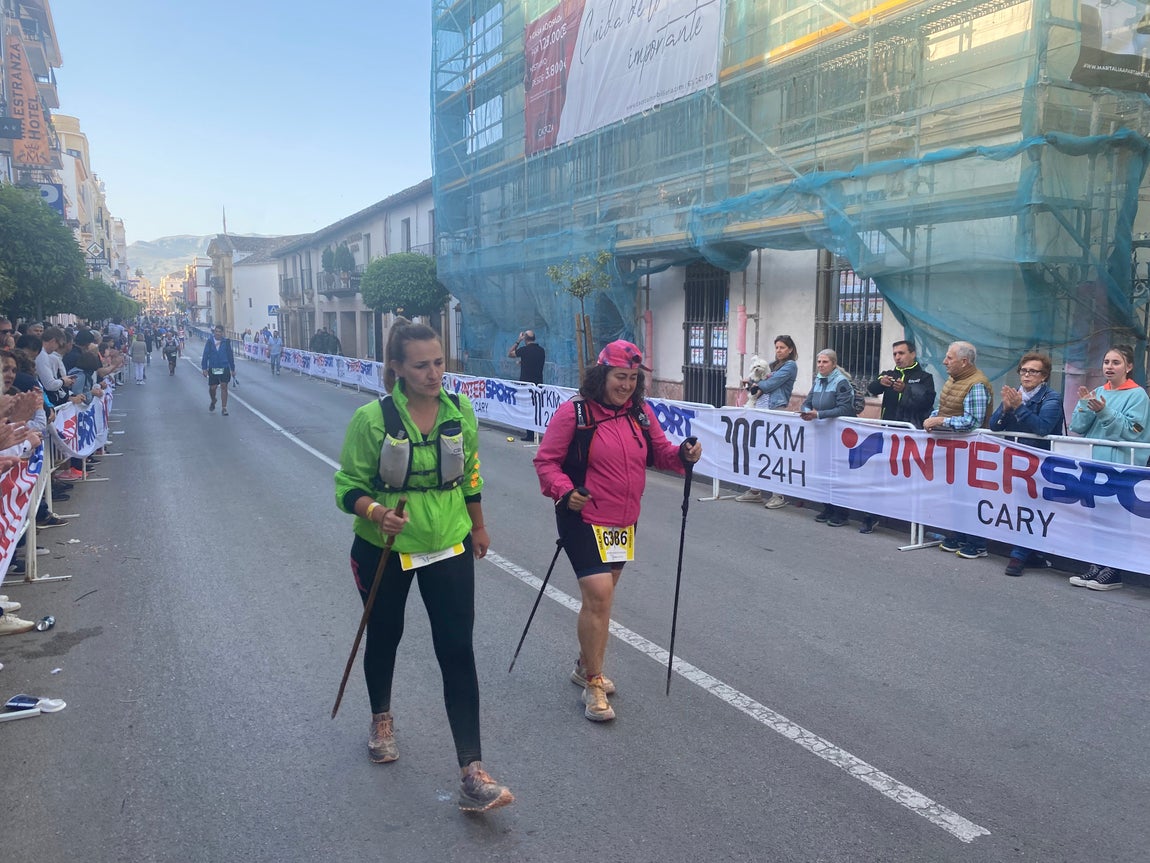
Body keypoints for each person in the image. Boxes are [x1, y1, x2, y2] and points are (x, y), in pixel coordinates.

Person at [333, 317, 513, 813]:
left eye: (439, 362)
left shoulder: (461, 412)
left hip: (448, 543)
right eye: (421, 365)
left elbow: (470, 473)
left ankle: (472, 770)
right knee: (385, 635)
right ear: (396, 368)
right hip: (386, 547)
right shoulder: (372, 420)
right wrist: (376, 511)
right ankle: (381, 717)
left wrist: (478, 526)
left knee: (457, 650)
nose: (435, 374)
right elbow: (347, 485)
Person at [533, 340, 703, 723]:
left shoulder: (640, 415)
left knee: (604, 598)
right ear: (601, 374)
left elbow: (660, 452)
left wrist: (683, 454)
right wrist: (565, 491)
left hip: (623, 520)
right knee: (598, 595)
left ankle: (583, 664)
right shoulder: (573, 413)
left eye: (631, 378)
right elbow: (546, 462)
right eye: (619, 377)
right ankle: (593, 683)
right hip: (582, 514)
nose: (626, 385)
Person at [1066, 344, 1150, 591]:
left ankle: (1114, 570)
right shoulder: (1098, 390)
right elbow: (1079, 427)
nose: (1109, 367)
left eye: (1116, 362)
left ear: (1129, 367)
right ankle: (1097, 563)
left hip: (1121, 469)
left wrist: (1104, 411)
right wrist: (1084, 404)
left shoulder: (1138, 396)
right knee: (1098, 516)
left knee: (1118, 519)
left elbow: (1133, 433)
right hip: (1096, 466)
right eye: (1106, 362)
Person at [988, 352, 1065, 576]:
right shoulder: (1015, 395)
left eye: (1033, 371)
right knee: (1020, 506)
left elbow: (1042, 428)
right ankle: (1033, 553)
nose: (1027, 375)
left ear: (1044, 376)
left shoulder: (1051, 398)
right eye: (1023, 370)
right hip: (1015, 460)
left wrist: (1019, 407)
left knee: (1031, 507)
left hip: (1039, 462)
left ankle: (1018, 556)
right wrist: (1005, 408)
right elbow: (994, 426)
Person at [924, 341, 993, 559]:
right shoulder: (955, 380)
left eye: (949, 358)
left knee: (970, 496)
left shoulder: (977, 385)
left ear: (964, 362)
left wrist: (941, 421)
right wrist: (936, 417)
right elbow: (947, 407)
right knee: (956, 494)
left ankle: (977, 542)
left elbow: (973, 421)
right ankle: (961, 535)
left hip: (972, 451)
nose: (944, 362)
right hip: (955, 449)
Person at [858, 340, 936, 532]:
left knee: (909, 477)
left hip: (910, 435)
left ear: (912, 354)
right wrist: (879, 382)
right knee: (879, 475)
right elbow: (872, 390)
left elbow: (925, 402)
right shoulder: (889, 374)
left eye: (901, 353)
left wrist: (905, 390)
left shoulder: (924, 377)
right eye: (895, 354)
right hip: (887, 433)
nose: (898, 357)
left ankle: (913, 519)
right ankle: (872, 515)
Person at [735, 335, 798, 508]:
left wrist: (755, 382)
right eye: (777, 347)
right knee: (757, 449)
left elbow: (769, 384)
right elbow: (757, 382)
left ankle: (779, 494)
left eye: (782, 348)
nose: (778, 351)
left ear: (790, 349)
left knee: (775, 452)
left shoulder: (790, 366)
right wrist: (754, 382)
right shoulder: (771, 365)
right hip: (760, 409)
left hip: (775, 410)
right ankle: (755, 490)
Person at [798, 348, 857, 526]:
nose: (821, 365)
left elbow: (845, 409)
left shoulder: (841, 382)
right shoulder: (818, 380)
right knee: (822, 470)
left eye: (825, 362)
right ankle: (827, 507)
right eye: (819, 362)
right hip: (821, 434)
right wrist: (806, 411)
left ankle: (841, 513)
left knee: (838, 473)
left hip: (839, 436)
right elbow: (808, 402)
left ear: (833, 364)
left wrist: (819, 414)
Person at [508, 330, 545, 440]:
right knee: (536, 409)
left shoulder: (524, 350)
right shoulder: (541, 351)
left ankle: (530, 434)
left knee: (527, 409)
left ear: (525, 339)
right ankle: (535, 433)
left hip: (526, 384)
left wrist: (518, 341)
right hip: (538, 383)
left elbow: (510, 354)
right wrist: (523, 363)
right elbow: (535, 363)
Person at [200, 325, 236, 416]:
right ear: (214, 332)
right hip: (213, 367)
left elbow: (230, 356)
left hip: (224, 367)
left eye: (220, 331)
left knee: (224, 386)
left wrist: (232, 369)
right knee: (213, 388)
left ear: (222, 333)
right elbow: (205, 355)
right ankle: (213, 400)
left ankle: (224, 408)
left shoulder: (226, 342)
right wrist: (204, 368)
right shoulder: (210, 342)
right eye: (216, 331)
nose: (218, 333)